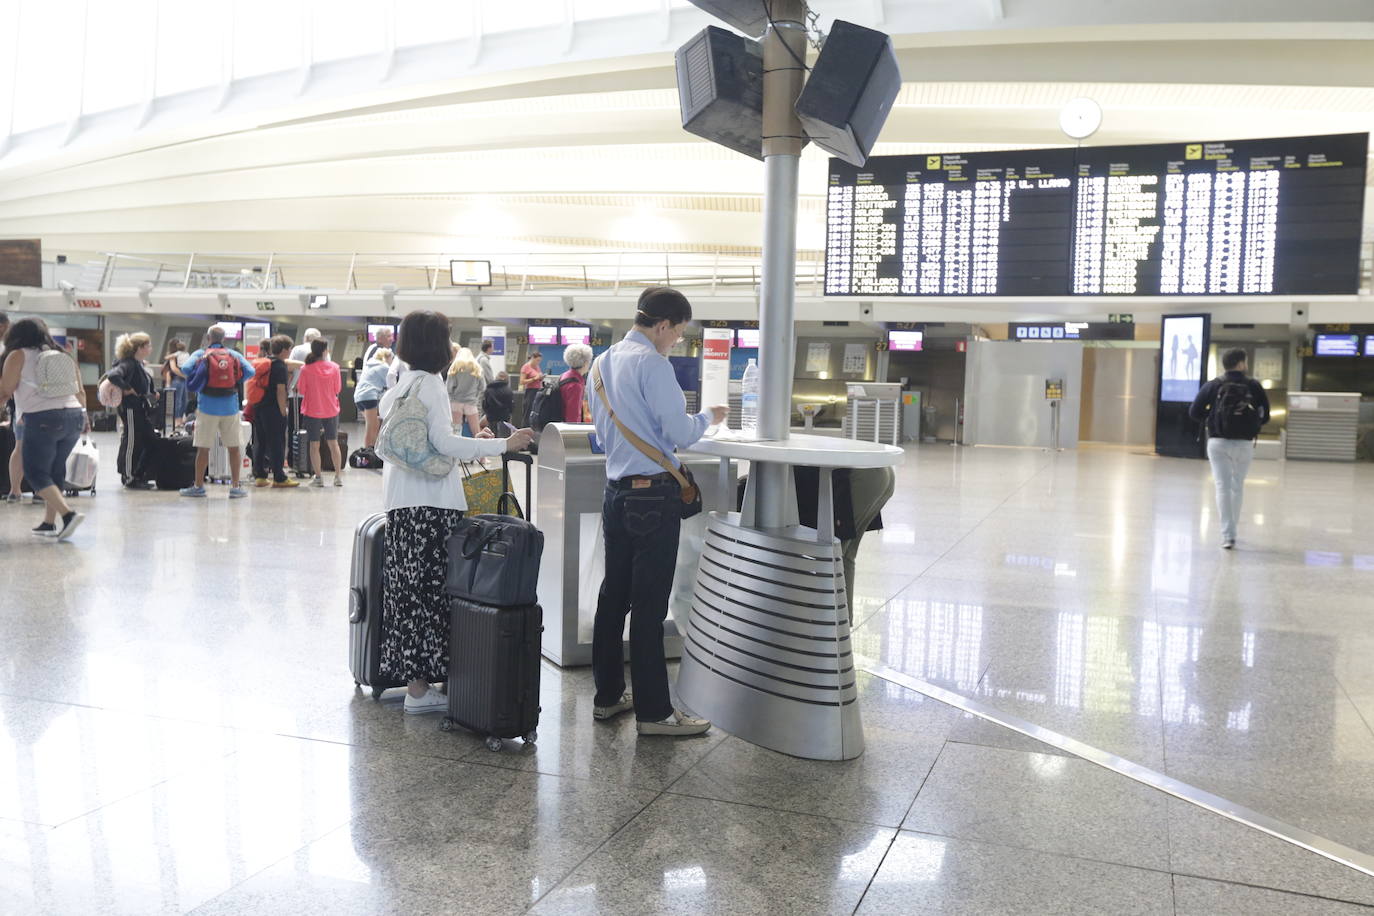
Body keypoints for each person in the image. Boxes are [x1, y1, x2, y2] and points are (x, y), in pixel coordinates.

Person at [587, 286, 728, 736]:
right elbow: (679, 432)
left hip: (616, 494)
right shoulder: (653, 364)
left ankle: (608, 697)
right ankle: (656, 714)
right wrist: (710, 416)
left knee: (614, 600)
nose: (677, 342)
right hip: (653, 498)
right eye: (679, 334)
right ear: (663, 324)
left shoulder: (601, 363)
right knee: (649, 607)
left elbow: (603, 434)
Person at [379, 309, 534, 715]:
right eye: (447, 336)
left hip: (401, 502)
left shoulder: (400, 382)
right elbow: (444, 445)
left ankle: (416, 683)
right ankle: (419, 691)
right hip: (431, 504)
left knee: (409, 595)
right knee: (433, 595)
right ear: (437, 344)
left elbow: (426, 441)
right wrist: (503, 445)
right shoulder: (430, 383)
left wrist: (470, 439)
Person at [0, 317, 88, 539]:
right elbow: (80, 390)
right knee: (55, 469)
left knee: (35, 472)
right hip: (74, 415)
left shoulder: (18, 355)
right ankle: (49, 523)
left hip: (43, 418)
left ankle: (67, 514)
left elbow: (5, 390)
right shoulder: (62, 354)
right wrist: (84, 417)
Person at [1189, 348, 1270, 549]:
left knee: (1222, 487)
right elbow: (1266, 415)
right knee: (1237, 486)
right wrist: (1252, 424)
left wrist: (1211, 420)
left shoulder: (1213, 385)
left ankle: (1228, 535)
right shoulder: (1253, 385)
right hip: (1244, 443)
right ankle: (1233, 528)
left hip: (1218, 442)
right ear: (1241, 364)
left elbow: (1194, 412)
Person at [179, 325, 255, 499]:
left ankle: (198, 486)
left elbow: (185, 369)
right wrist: (235, 379)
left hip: (206, 407)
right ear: (224, 339)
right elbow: (251, 371)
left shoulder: (200, 354)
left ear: (208, 337)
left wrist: (202, 378)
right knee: (234, 448)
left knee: (203, 448)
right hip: (230, 407)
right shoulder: (234, 355)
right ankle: (235, 487)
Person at [106, 332, 157, 489]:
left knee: (150, 440)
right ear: (140, 348)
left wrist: (151, 393)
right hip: (130, 408)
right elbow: (113, 376)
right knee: (132, 441)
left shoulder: (138, 364)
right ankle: (128, 476)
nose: (150, 348)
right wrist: (128, 389)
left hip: (140, 408)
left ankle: (138, 473)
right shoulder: (128, 363)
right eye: (148, 345)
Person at [251, 335, 299, 488]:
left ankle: (260, 476)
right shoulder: (279, 365)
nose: (290, 351)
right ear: (284, 350)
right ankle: (279, 477)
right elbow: (280, 389)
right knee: (277, 442)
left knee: (260, 441)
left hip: (258, 407)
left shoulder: (265, 362)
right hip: (273, 409)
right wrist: (283, 410)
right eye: (289, 348)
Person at [297, 338, 343, 487]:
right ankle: (337, 477)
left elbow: (302, 390)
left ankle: (318, 478)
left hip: (312, 410)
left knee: (314, 445)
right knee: (333, 443)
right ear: (325, 351)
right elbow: (337, 389)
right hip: (331, 409)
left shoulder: (305, 369)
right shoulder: (335, 368)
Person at [354, 347, 392, 449]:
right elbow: (391, 384)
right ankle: (369, 451)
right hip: (369, 396)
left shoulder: (369, 366)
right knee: (372, 427)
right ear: (387, 358)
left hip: (358, 397)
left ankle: (371, 449)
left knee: (374, 423)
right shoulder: (384, 367)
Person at [445, 347, 485, 437]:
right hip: (471, 402)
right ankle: (478, 448)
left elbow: (449, 388)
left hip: (456, 402)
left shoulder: (455, 366)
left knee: (456, 430)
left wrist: (452, 397)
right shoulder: (477, 367)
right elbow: (483, 387)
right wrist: (475, 396)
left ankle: (456, 448)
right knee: (476, 431)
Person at [160, 338, 191, 426]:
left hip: (182, 380)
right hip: (177, 379)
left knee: (184, 401)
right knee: (178, 401)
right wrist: (185, 375)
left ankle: (180, 419)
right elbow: (173, 369)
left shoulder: (183, 355)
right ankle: (177, 420)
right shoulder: (173, 355)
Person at [560, 343, 593, 424]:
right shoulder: (575, 385)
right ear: (585, 363)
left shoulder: (565, 375)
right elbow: (573, 415)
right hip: (566, 427)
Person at [482, 370, 516, 437]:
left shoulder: (488, 389)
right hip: (505, 417)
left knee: (491, 434)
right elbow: (511, 405)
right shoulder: (508, 390)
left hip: (491, 416)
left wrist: (487, 413)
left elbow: (484, 404)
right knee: (505, 436)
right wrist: (510, 413)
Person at [518, 350, 543, 425]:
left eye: (539, 361)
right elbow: (522, 381)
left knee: (534, 411)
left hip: (537, 390)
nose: (538, 362)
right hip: (530, 391)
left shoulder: (537, 367)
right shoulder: (526, 367)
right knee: (528, 411)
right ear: (532, 358)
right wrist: (534, 379)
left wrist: (540, 377)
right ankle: (525, 427)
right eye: (537, 360)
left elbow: (538, 376)